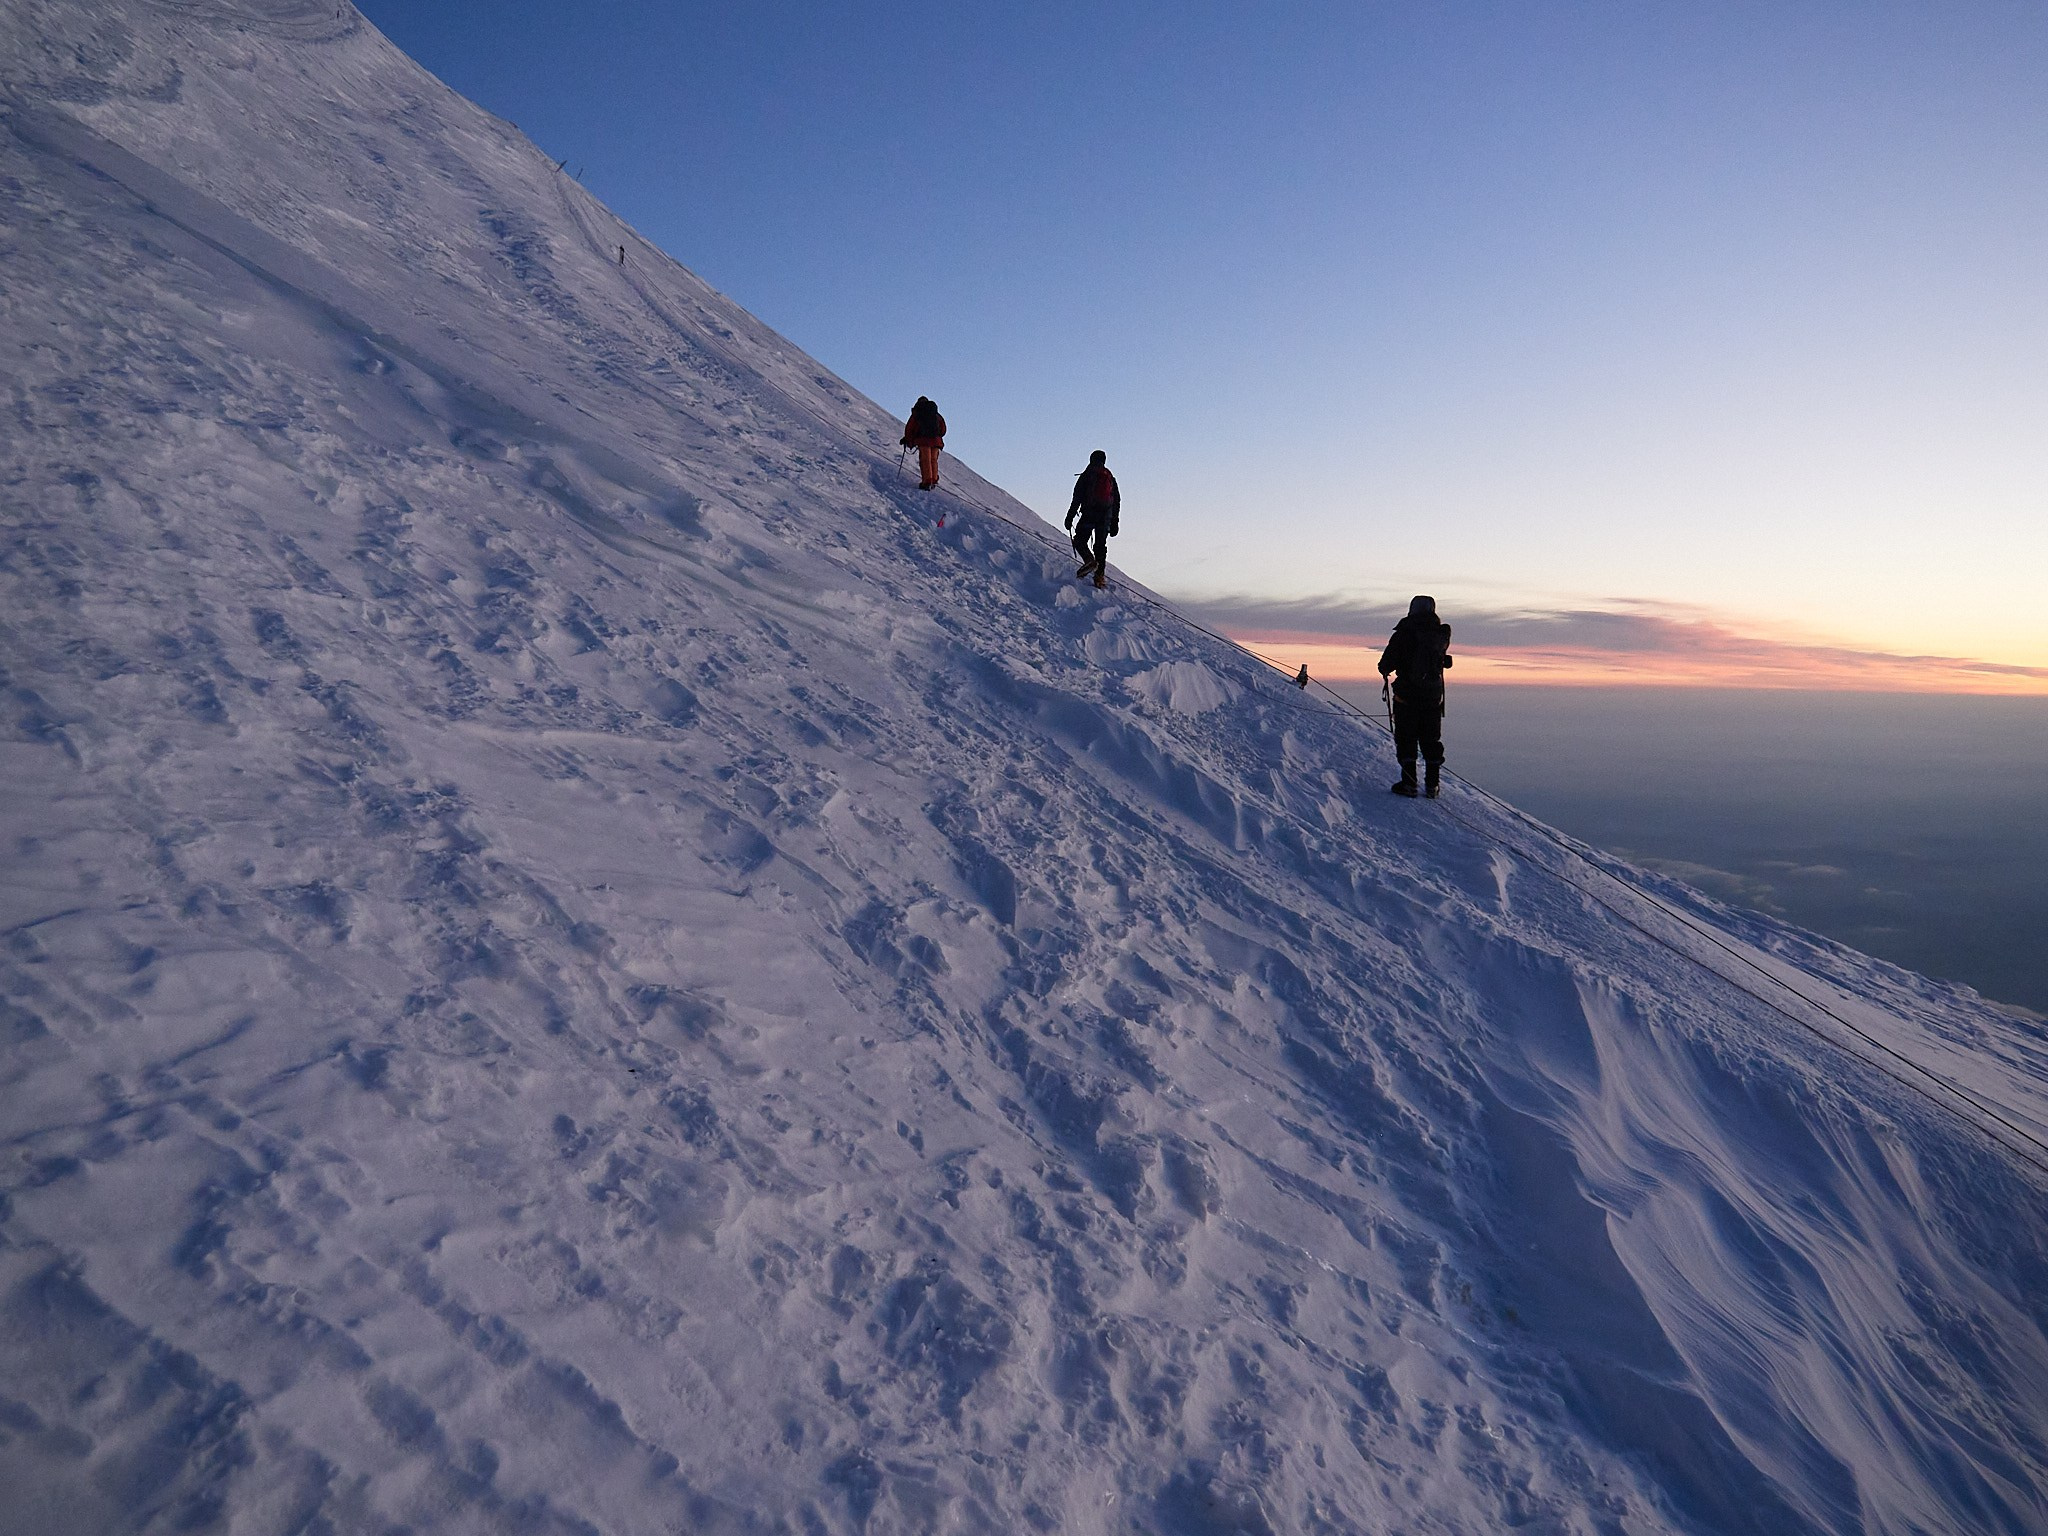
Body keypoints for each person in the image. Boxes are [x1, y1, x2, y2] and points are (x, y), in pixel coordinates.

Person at [1377, 595, 1453, 798]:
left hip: (1407, 696)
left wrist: (1386, 668)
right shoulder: (1440, 634)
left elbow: (1386, 664)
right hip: (1433, 697)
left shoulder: (1404, 632)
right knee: (1431, 739)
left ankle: (1409, 784)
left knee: (1406, 738)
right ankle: (1432, 786)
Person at [1064, 450, 1120, 588]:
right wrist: (1114, 522)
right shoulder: (1110, 478)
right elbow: (1116, 501)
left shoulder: (1086, 475)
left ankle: (1089, 561)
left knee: (1080, 540)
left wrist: (1070, 517)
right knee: (1100, 546)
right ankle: (1099, 577)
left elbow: (1077, 498)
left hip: (1089, 514)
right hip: (1105, 516)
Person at [901, 397, 947, 490]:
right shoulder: (936, 414)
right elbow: (943, 429)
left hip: (923, 440)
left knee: (925, 460)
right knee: (933, 460)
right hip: (936, 440)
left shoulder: (917, 413)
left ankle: (927, 482)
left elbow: (910, 428)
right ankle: (934, 480)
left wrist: (908, 439)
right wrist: (937, 436)